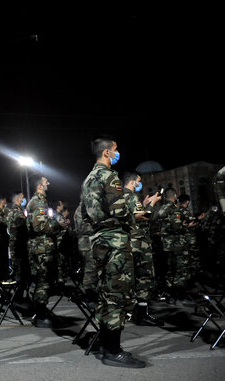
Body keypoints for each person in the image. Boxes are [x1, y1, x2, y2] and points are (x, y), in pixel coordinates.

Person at [81, 136, 145, 368]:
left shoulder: (88, 178)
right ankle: (114, 351)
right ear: (107, 152)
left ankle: (107, 347)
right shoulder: (109, 177)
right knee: (118, 296)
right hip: (115, 241)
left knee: (107, 296)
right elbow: (119, 210)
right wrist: (136, 215)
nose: (118, 153)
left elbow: (87, 213)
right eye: (116, 149)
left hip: (99, 241)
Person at [122, 172, 163, 326]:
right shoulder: (132, 197)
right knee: (144, 278)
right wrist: (152, 204)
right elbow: (143, 218)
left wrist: (144, 205)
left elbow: (133, 215)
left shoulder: (120, 196)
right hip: (138, 244)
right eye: (139, 182)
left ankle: (129, 312)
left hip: (128, 243)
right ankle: (142, 314)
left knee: (129, 278)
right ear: (133, 182)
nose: (140, 185)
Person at [26, 176, 57, 328]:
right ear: (39, 187)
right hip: (41, 248)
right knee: (42, 281)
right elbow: (39, 227)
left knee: (42, 281)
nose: (48, 183)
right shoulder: (37, 202)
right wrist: (56, 225)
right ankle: (41, 315)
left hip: (41, 247)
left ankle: (41, 311)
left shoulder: (39, 201)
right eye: (46, 182)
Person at [155, 188, 188, 298]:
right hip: (176, 243)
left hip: (166, 244)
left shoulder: (161, 209)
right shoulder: (174, 209)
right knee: (180, 267)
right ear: (174, 196)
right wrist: (185, 226)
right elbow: (176, 227)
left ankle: (169, 289)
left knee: (169, 267)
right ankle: (180, 291)